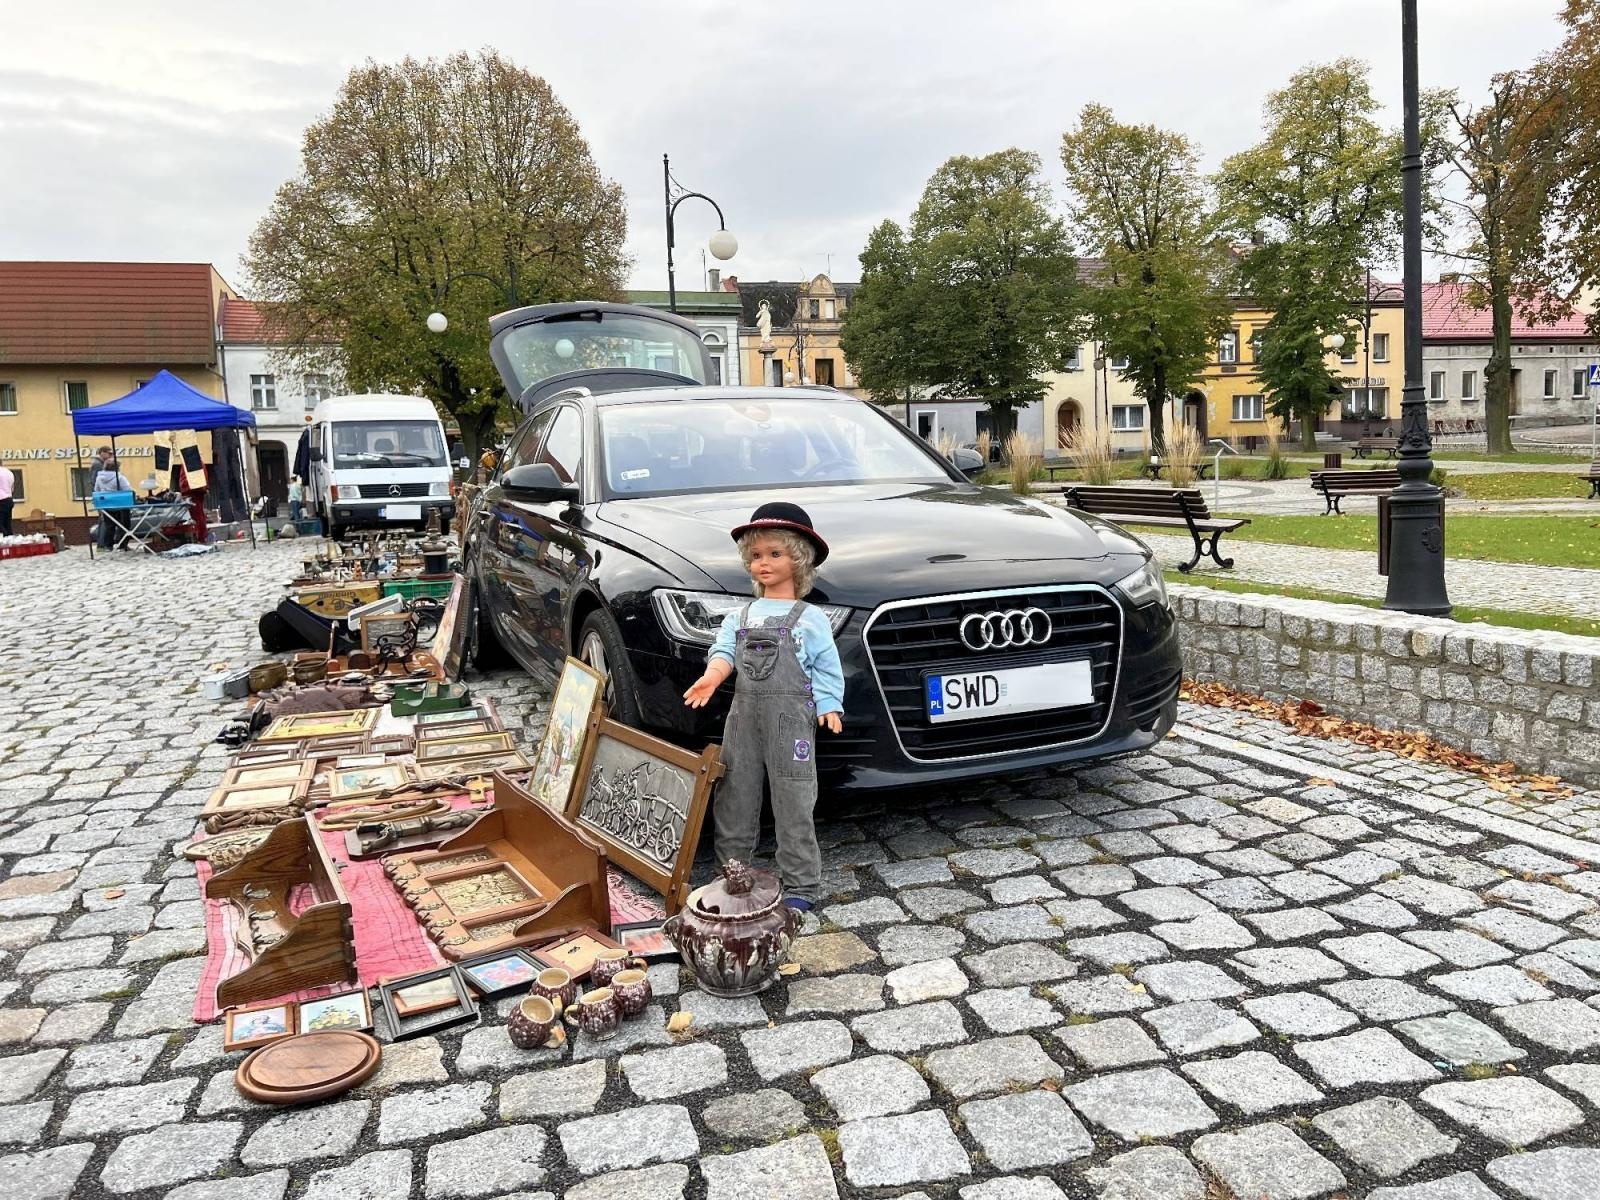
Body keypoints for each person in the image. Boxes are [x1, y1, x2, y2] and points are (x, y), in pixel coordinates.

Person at [682, 502, 844, 910]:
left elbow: (826, 666)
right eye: (756, 556)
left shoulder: (810, 618)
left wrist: (829, 705)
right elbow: (724, 651)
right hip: (743, 718)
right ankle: (733, 873)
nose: (763, 563)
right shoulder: (742, 615)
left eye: (775, 553)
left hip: (790, 720)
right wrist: (714, 675)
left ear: (799, 559)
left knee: (794, 796)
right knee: (735, 792)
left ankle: (801, 884)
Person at [92, 455, 133, 550]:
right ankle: (122, 545)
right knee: (124, 525)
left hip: (107, 505)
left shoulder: (99, 478)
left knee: (109, 526)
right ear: (117, 468)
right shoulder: (120, 478)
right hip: (121, 505)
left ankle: (108, 545)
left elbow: (97, 490)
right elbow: (127, 490)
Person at [0, 463, 14, 537]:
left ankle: (5, 538)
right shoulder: (9, 472)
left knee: (1, 526)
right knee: (7, 525)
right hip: (9, 500)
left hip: (1, 500)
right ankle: (10, 541)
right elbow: (12, 488)